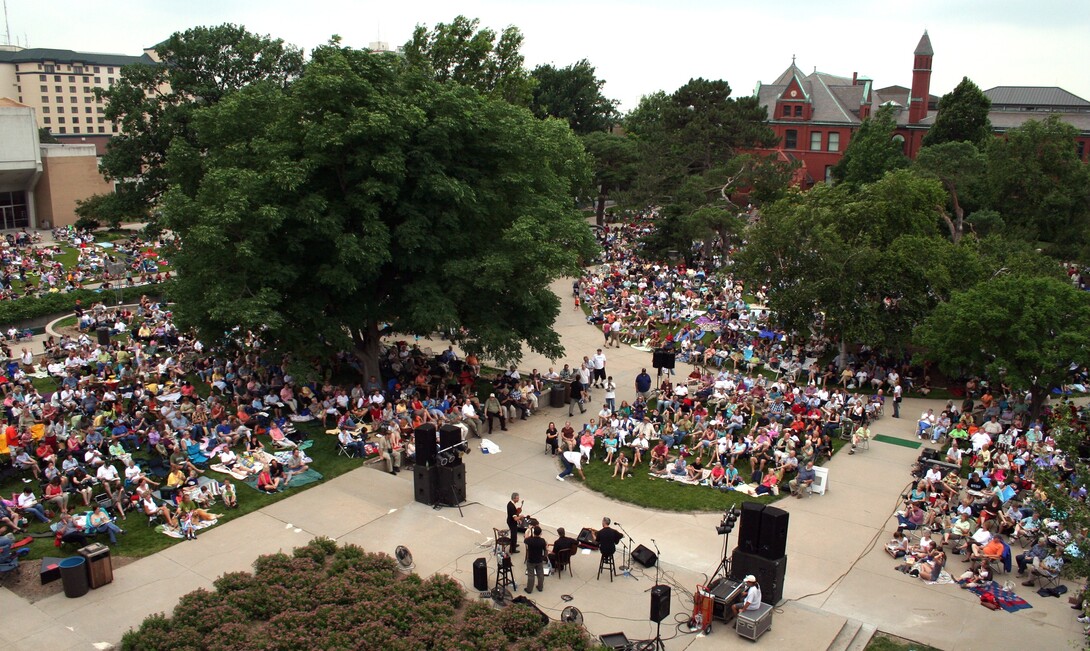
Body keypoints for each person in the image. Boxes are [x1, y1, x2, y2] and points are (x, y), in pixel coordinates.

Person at [524, 525, 548, 594]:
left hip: (531, 560)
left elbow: (525, 539)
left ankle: (529, 589)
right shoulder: (542, 541)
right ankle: (540, 587)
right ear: (540, 533)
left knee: (531, 575)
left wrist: (528, 530)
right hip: (539, 560)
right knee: (540, 574)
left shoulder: (530, 540)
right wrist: (544, 557)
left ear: (534, 533)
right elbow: (545, 549)